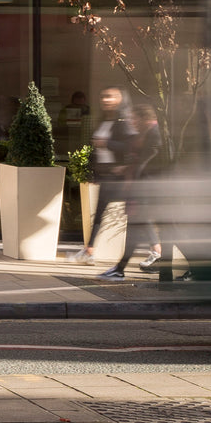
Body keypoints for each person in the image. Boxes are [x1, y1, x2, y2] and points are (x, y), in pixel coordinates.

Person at [67, 86, 136, 270]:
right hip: (107, 175)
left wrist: (107, 143)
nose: (106, 100)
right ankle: (89, 251)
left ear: (120, 100)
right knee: (99, 213)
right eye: (103, 96)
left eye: (110, 97)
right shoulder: (104, 121)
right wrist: (93, 172)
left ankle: (156, 249)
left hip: (120, 176)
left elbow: (130, 147)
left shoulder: (123, 122)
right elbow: (95, 151)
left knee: (137, 214)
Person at [101, 103, 165, 279]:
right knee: (135, 230)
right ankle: (119, 268)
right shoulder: (146, 133)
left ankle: (120, 269)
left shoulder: (154, 133)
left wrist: (133, 174)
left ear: (144, 117)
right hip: (142, 190)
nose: (131, 121)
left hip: (146, 190)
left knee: (136, 231)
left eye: (134, 118)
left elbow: (148, 162)